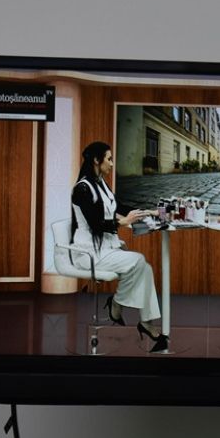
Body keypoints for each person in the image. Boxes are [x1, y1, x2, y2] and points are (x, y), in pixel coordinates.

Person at [71, 141, 169, 353]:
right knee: (139, 260)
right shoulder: (82, 189)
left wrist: (149, 212)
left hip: (106, 248)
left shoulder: (101, 185)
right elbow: (96, 223)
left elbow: (119, 207)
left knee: (145, 268)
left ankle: (146, 323)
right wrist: (123, 222)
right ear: (96, 160)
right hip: (89, 252)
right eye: (109, 159)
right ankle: (116, 303)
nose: (112, 163)